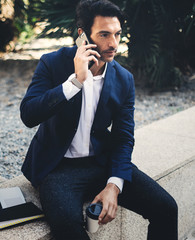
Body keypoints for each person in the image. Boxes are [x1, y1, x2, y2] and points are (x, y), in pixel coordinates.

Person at [20, 0, 178, 239]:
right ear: (83, 35)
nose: (113, 44)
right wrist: (75, 81)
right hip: (59, 167)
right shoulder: (52, 63)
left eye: (117, 34)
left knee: (167, 208)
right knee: (68, 227)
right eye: (104, 35)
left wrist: (114, 185)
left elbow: (124, 137)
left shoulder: (123, 79)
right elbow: (28, 115)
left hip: (102, 162)